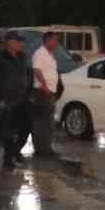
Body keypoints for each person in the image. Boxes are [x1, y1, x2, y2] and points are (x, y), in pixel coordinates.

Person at [0, 33, 35, 170]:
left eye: (21, 41)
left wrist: (30, 94)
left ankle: (14, 151)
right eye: (17, 41)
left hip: (23, 98)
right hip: (7, 99)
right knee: (8, 131)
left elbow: (28, 75)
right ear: (8, 42)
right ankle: (8, 159)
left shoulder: (22, 57)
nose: (20, 44)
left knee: (27, 128)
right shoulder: (0, 58)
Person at [30, 31, 62, 159]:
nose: (56, 43)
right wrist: (44, 86)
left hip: (49, 91)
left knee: (47, 121)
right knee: (42, 121)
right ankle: (41, 148)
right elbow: (36, 69)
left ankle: (46, 147)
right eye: (55, 40)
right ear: (48, 40)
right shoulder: (40, 53)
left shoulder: (50, 54)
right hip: (43, 92)